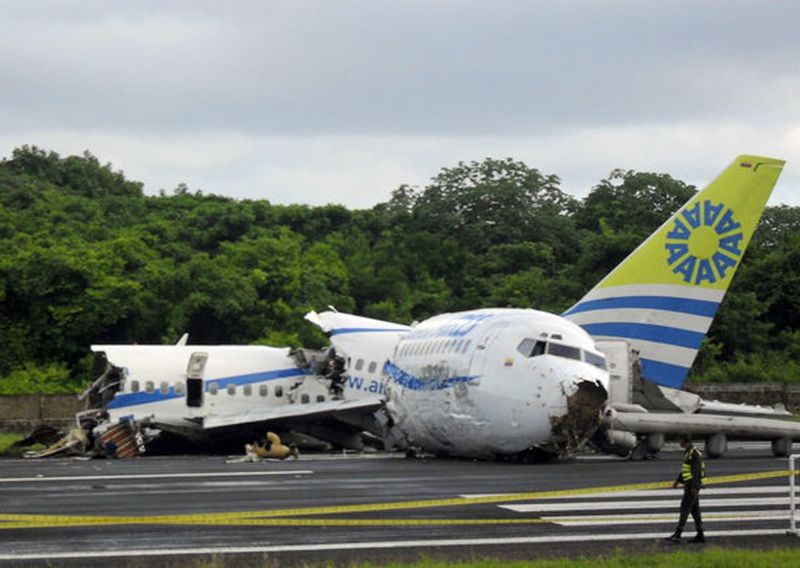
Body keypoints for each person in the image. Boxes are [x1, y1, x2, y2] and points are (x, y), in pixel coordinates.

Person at [666, 432, 705, 543]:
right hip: (689, 485)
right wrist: (678, 481)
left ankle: (678, 534)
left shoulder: (694, 454)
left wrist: (694, 487)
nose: (679, 443)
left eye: (680, 440)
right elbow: (685, 470)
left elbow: (696, 472)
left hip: (691, 487)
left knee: (684, 509)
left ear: (684, 441)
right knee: (695, 511)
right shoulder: (688, 453)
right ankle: (700, 534)